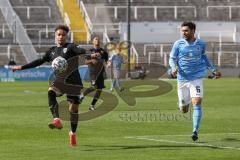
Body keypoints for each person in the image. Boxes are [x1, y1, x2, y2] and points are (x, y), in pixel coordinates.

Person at [12, 25, 99, 147]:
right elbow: (39, 61)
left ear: (66, 36)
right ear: (55, 36)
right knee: (51, 91)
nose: (60, 37)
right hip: (60, 82)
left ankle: (72, 133)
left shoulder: (71, 47)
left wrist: (92, 55)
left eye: (63, 35)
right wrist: (21, 67)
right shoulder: (51, 51)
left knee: (73, 111)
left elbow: (83, 51)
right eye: (58, 34)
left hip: (74, 84)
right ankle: (56, 120)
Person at [169, 21, 221, 141]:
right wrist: (173, 67)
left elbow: (204, 57)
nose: (184, 33)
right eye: (182, 31)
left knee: (197, 102)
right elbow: (172, 58)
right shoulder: (178, 44)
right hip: (182, 79)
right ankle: (181, 105)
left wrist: (213, 69)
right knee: (184, 110)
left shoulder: (201, 44)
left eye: (186, 30)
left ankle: (195, 131)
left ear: (193, 31)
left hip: (196, 78)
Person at [79, 36, 108, 111]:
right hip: (93, 72)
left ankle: (92, 105)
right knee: (94, 86)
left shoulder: (103, 52)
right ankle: (82, 95)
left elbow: (106, 61)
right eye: (95, 39)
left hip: (101, 72)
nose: (97, 40)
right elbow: (85, 61)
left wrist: (108, 63)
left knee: (99, 90)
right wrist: (91, 61)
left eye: (98, 39)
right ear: (93, 42)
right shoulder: (90, 51)